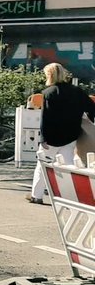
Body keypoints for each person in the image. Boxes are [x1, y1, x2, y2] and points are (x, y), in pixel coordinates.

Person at [29, 63, 95, 204]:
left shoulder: (48, 93)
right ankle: (69, 197)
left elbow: (45, 118)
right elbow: (91, 108)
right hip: (71, 135)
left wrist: (43, 138)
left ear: (49, 75)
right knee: (68, 166)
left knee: (43, 166)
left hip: (52, 137)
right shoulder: (77, 91)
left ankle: (37, 196)